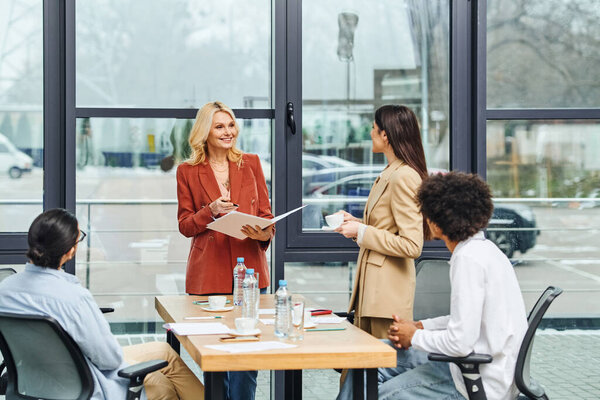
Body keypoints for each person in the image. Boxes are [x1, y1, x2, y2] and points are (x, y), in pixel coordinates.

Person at [338, 172, 528, 400]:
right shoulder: (486, 251)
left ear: (436, 223)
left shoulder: (468, 260)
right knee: (367, 359)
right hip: (475, 365)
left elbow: (460, 343)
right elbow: (469, 319)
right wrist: (421, 326)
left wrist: (413, 337)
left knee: (384, 394)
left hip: (475, 378)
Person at [0, 208, 204, 400]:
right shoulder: (73, 297)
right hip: (81, 379)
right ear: (70, 251)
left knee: (165, 352)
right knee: (160, 383)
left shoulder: (5, 290)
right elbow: (109, 360)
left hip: (36, 374)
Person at [176, 101, 274, 400]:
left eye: (231, 125)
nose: (228, 131)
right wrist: (210, 211)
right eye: (219, 126)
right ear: (204, 132)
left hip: (250, 274)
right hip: (210, 275)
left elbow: (267, 214)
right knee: (217, 358)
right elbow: (185, 225)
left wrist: (264, 231)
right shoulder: (187, 171)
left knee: (246, 360)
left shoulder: (252, 163)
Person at [333, 105, 429, 338]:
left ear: (386, 135)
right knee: (364, 369)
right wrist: (356, 226)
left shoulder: (404, 176)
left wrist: (362, 230)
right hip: (374, 295)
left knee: (380, 370)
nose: (370, 134)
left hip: (387, 298)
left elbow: (412, 245)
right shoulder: (391, 172)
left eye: (374, 129)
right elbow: (386, 229)